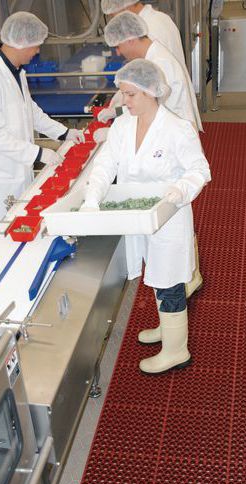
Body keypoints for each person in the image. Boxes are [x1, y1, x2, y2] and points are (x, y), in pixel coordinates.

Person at [81, 59, 211, 374]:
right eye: (123, 94)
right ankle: (167, 329)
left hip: (168, 218)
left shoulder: (177, 129)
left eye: (130, 95)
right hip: (138, 217)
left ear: (151, 92)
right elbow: (105, 164)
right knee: (154, 273)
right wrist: (92, 198)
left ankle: (177, 350)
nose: (124, 101)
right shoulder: (123, 125)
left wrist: (180, 191)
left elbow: (200, 170)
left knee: (169, 280)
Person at [98, 10, 205, 297]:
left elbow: (154, 111)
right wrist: (119, 119)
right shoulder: (149, 62)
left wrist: (119, 119)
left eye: (118, 46)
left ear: (130, 39)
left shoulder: (159, 67)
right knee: (162, 265)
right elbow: (140, 101)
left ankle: (187, 282)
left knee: (172, 257)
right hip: (159, 157)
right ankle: (184, 282)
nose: (118, 52)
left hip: (171, 151)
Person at [0, 12, 85, 220]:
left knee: (22, 217)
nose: (37, 51)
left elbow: (29, 110)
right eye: (36, 46)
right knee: (4, 226)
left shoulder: (15, 70)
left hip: (16, 164)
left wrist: (64, 133)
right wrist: (39, 154)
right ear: (22, 42)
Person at [101, 0, 186, 67]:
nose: (114, 20)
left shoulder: (147, 29)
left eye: (112, 16)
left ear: (124, 7)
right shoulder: (161, 17)